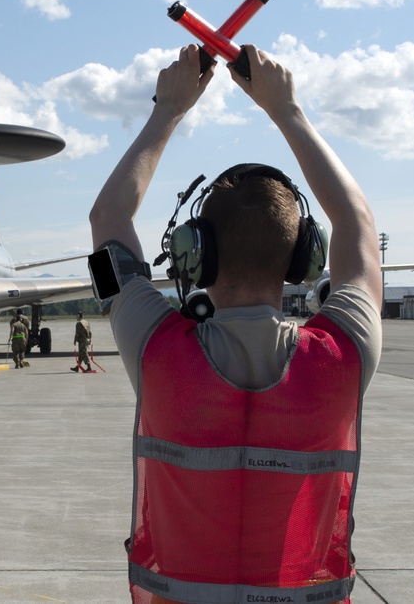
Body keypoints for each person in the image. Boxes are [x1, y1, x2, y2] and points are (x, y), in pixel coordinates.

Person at [89, 45, 382, 604]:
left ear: (195, 256)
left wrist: (168, 109)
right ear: (303, 258)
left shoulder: (156, 351)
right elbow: (356, 220)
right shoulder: (343, 353)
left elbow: (107, 219)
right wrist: (287, 110)